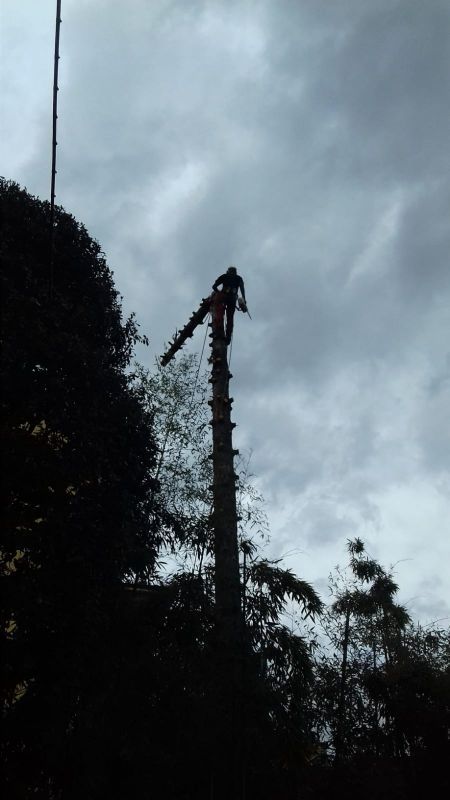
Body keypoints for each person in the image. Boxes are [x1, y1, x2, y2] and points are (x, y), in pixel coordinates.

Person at [211, 266, 247, 344]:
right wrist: (244, 299)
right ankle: (228, 337)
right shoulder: (239, 278)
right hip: (232, 298)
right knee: (230, 318)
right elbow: (242, 289)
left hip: (223, 296)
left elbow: (214, 286)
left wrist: (218, 293)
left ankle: (218, 331)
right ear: (235, 272)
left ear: (228, 271)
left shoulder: (224, 276)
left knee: (219, 313)